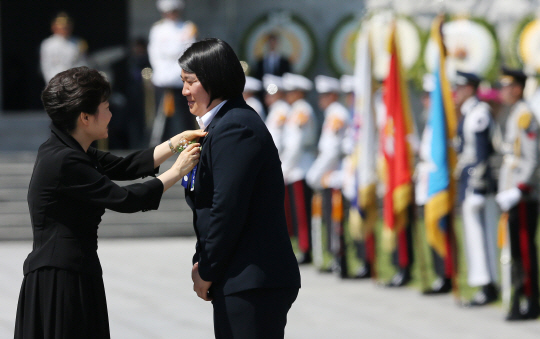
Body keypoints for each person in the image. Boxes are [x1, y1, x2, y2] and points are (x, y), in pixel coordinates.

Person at [14, 66, 204, 338]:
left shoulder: (66, 149)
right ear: (85, 117)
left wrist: (176, 142)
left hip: (70, 271)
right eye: (105, 106)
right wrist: (177, 171)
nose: (111, 113)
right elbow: (123, 199)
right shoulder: (64, 159)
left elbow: (127, 166)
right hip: (61, 279)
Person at [179, 38, 301, 338]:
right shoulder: (222, 124)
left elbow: (227, 208)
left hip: (252, 278)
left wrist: (206, 269)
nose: (184, 91)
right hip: (238, 276)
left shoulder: (235, 127)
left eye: (190, 82)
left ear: (213, 80)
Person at [495, 67, 540, 321]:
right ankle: (520, 295)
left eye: (506, 86)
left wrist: (518, 189)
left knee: (524, 247)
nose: (503, 91)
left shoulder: (525, 116)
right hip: (512, 192)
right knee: (514, 248)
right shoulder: (515, 113)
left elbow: (532, 158)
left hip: (523, 195)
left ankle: (530, 300)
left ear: (518, 88)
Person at [453, 71, 499, 306]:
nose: (456, 93)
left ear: (470, 88)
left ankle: (488, 285)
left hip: (477, 184)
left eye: (460, 88)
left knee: (482, 236)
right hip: (469, 182)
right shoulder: (468, 113)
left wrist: (478, 187)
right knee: (473, 236)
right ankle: (484, 282)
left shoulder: (478, 114)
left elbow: (482, 154)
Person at [306, 75, 350, 275]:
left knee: (336, 221)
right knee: (330, 221)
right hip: (330, 174)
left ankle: (340, 260)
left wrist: (315, 174)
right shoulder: (333, 113)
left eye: (324, 95)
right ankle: (335, 258)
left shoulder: (337, 114)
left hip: (335, 175)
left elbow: (332, 151)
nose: (320, 99)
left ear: (333, 95)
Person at [148, 0, 198, 145]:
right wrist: (161, 72)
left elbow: (189, 51)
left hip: (181, 78)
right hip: (163, 78)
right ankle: (160, 144)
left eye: (174, 10)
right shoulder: (158, 29)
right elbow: (154, 53)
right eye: (168, 11)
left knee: (185, 113)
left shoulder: (188, 27)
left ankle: (187, 142)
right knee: (161, 116)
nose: (171, 14)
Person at [281, 72, 318, 265]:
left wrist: (283, 168)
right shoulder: (296, 109)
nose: (287, 95)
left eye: (290, 91)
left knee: (302, 213)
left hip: (299, 167)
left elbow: (295, 144)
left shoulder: (300, 110)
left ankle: (306, 249)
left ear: (299, 93)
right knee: (297, 213)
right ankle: (303, 248)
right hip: (296, 166)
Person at [40, 12, 88, 83]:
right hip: (56, 80)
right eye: (62, 27)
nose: (65, 29)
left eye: (67, 27)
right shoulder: (48, 44)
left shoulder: (78, 42)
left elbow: (83, 63)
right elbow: (46, 66)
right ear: (54, 27)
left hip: (74, 80)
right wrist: (52, 82)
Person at [263, 74, 290, 156]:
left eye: (272, 93)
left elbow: (276, 138)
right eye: (267, 93)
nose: (268, 96)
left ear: (280, 93)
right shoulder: (275, 109)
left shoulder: (281, 110)